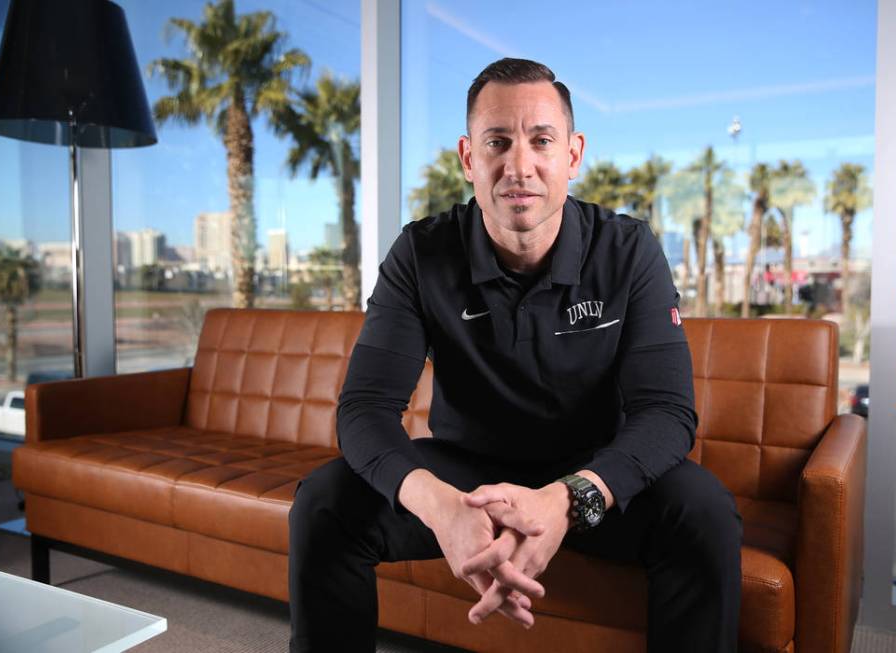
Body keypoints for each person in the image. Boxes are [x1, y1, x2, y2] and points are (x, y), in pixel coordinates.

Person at [288, 57, 742, 653]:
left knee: (703, 510)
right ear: (468, 158)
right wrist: (442, 507)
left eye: (541, 141)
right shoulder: (421, 254)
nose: (518, 166)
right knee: (324, 503)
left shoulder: (629, 250)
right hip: (464, 474)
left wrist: (567, 499)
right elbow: (364, 409)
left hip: (592, 476)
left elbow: (668, 412)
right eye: (497, 142)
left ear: (573, 155)